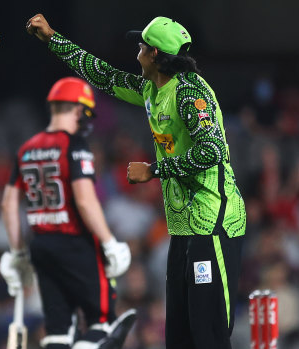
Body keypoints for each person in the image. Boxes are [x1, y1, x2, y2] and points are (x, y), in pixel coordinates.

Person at [26, 14, 246, 349]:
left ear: (155, 54)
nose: (137, 54)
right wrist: (52, 38)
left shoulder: (190, 93)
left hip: (214, 222)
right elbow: (100, 74)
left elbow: (213, 151)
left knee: (209, 333)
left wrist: (153, 171)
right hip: (185, 227)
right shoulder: (151, 89)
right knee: (181, 336)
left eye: (141, 47)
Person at [0, 77, 136, 349]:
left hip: (41, 245)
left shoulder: (27, 148)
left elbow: (8, 204)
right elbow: (85, 201)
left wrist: (17, 253)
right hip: (75, 244)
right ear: (78, 109)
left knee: (58, 331)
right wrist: (109, 241)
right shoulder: (74, 145)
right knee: (103, 324)